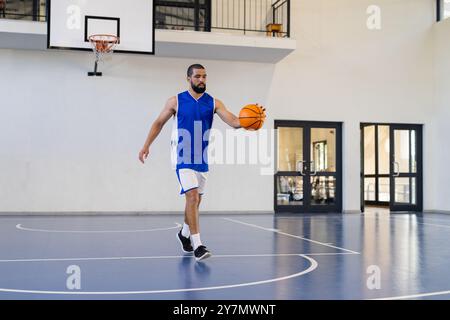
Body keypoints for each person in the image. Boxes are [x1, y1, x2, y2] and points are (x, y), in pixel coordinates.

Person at [139, 64, 241, 261]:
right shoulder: (175, 101)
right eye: (197, 77)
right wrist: (146, 146)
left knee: (196, 201)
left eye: (204, 76)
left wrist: (251, 121)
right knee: (192, 198)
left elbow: (234, 122)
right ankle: (198, 245)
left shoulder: (214, 103)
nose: (201, 80)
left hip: (202, 158)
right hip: (181, 156)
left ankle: (184, 233)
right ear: (188, 78)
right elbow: (158, 123)